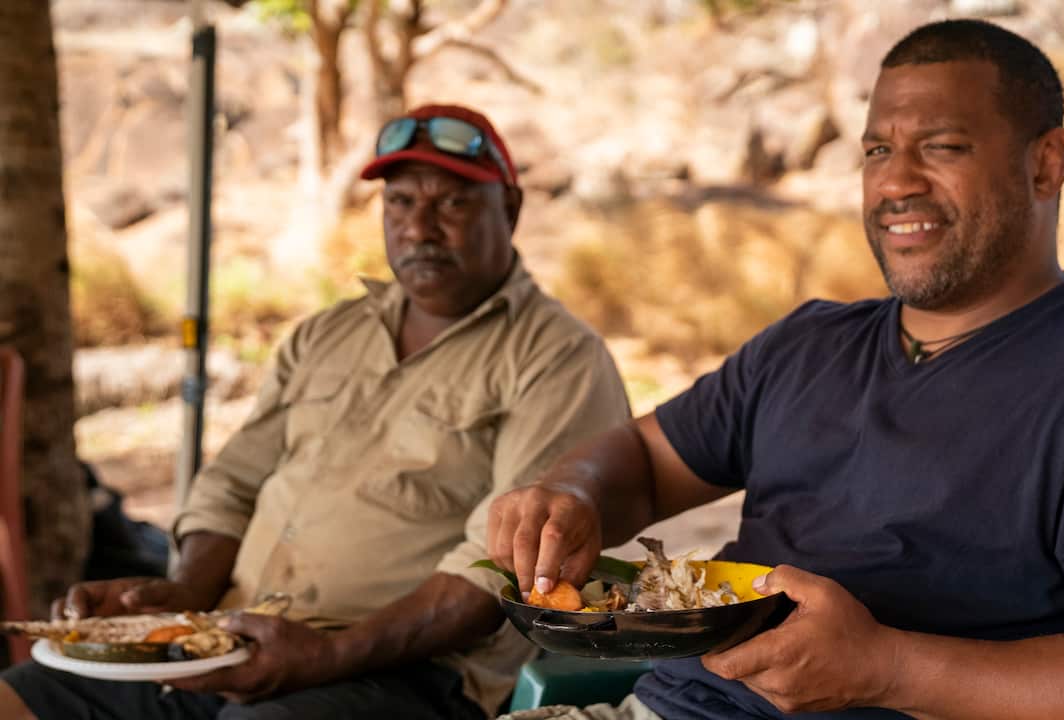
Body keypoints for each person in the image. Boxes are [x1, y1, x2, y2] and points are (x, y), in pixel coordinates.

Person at [488, 20, 1064, 720]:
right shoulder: (806, 346)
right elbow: (644, 462)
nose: (896, 182)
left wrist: (888, 669)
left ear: (1046, 164)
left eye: (943, 146)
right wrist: (573, 495)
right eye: (877, 151)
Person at [0, 103, 632, 720]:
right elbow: (232, 483)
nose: (419, 228)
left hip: (408, 672)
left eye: (452, 203)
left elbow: (498, 569)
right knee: (21, 695)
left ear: (510, 209)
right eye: (400, 202)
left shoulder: (558, 358)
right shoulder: (326, 334)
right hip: (227, 638)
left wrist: (328, 653)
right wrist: (185, 594)